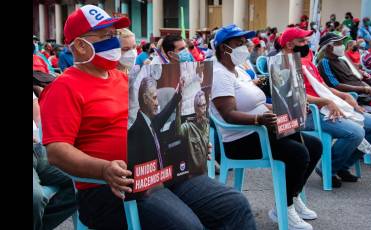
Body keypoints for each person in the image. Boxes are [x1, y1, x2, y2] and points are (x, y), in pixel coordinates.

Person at [41, 5, 256, 230]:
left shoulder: (124, 79)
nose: (113, 42)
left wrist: (190, 144)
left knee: (233, 205)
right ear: (79, 46)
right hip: (112, 187)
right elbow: (57, 151)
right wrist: (104, 169)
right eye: (105, 36)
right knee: (186, 226)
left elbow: (153, 124)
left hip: (162, 172)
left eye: (114, 35)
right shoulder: (63, 87)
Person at [211, 24, 322, 230]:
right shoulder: (219, 74)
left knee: (314, 146)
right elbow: (228, 114)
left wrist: (289, 107)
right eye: (238, 44)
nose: (245, 47)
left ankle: (292, 196)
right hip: (241, 139)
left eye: (244, 42)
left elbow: (258, 103)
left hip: (263, 131)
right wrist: (259, 120)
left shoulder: (240, 72)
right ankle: (284, 209)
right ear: (224, 47)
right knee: (298, 153)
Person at [287, 28, 371, 187]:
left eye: (307, 41)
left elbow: (323, 86)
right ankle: (328, 168)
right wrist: (327, 102)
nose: (306, 45)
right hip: (308, 113)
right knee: (356, 132)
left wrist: (344, 96)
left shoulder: (307, 60)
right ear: (289, 44)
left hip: (325, 107)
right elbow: (296, 96)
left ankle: (341, 165)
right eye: (302, 41)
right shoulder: (286, 63)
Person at [33, 92, 77, 230]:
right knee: (35, 197)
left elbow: (37, 116)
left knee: (86, 180)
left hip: (38, 149)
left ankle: (40, 225)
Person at [317, 33, 371, 99]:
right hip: (353, 96)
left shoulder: (343, 61)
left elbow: (355, 79)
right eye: (339, 44)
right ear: (329, 47)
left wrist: (366, 82)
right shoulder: (324, 63)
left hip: (364, 91)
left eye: (342, 43)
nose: (343, 46)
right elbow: (335, 85)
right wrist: (365, 89)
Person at [175, 90, 210, 175]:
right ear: (196, 108)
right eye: (200, 106)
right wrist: (178, 109)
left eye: (204, 105)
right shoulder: (189, 127)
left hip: (205, 172)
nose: (204, 109)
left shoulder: (207, 124)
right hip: (193, 174)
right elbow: (178, 132)